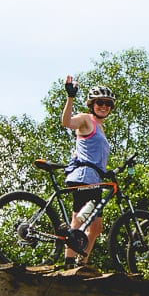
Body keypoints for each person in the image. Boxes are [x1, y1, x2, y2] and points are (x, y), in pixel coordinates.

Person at [60, 76, 114, 267]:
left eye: (108, 104)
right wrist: (70, 97)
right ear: (92, 104)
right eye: (100, 102)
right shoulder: (86, 119)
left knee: (96, 227)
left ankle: (82, 262)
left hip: (96, 178)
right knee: (79, 218)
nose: (104, 106)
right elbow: (66, 122)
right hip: (84, 177)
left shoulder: (101, 127)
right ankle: (69, 261)